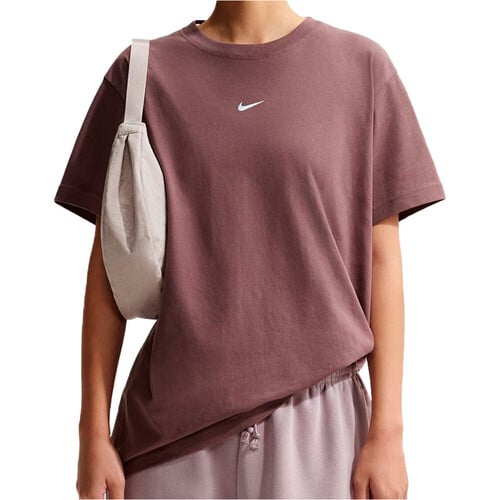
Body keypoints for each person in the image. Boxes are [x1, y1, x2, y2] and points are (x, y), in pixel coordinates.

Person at [54, 1, 446, 499]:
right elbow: (108, 268)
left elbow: (383, 257)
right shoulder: (141, 75)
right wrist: (92, 432)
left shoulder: (362, 68)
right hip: (171, 434)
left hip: (320, 427)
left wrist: (388, 431)